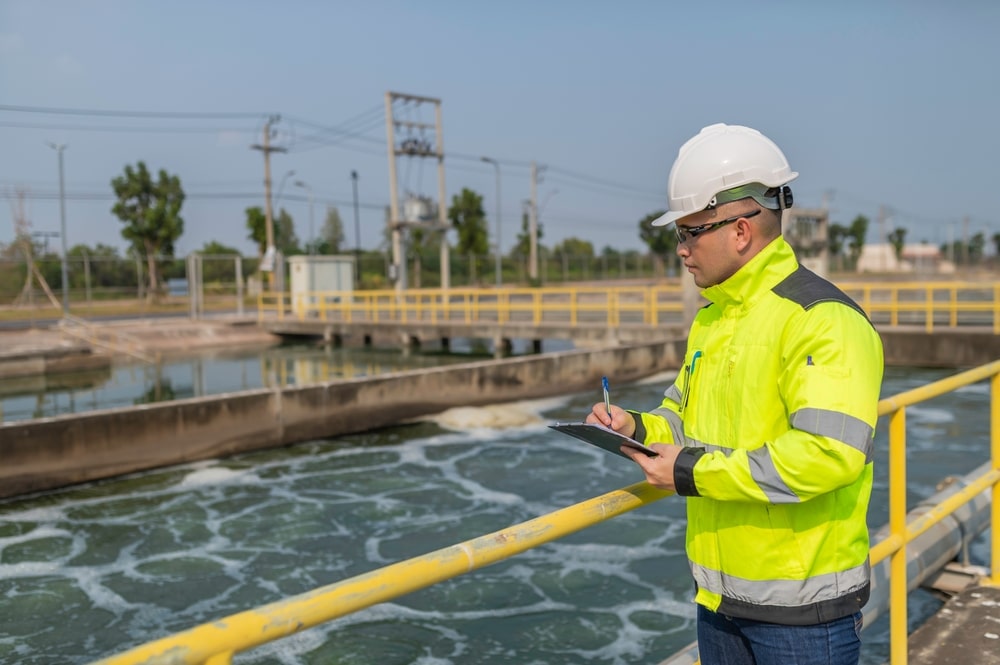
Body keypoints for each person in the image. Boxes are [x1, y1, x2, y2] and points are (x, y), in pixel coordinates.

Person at [586, 123, 884, 665]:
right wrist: (634, 427)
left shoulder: (821, 320)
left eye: (689, 233)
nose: (680, 249)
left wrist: (691, 472)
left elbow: (828, 456)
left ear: (740, 230)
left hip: (802, 612)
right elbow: (683, 419)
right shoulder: (715, 319)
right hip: (721, 600)